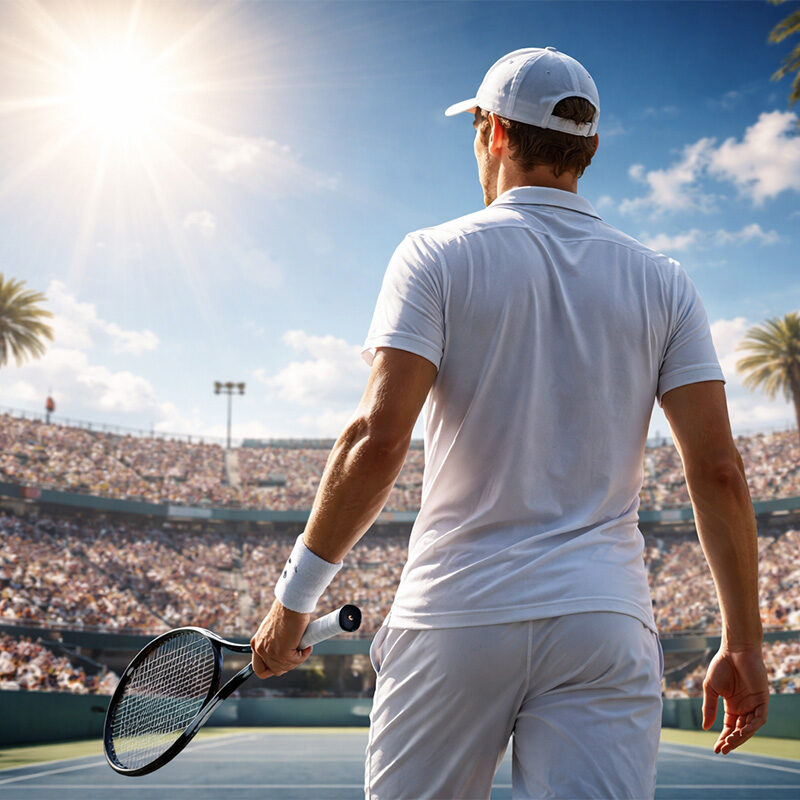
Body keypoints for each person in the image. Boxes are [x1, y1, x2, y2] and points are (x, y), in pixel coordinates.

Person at [250, 47, 770, 799]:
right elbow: (718, 470)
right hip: (605, 620)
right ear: (590, 149)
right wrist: (743, 641)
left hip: (458, 611)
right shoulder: (667, 281)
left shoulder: (434, 254)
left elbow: (377, 438)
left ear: (493, 131)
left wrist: (292, 602)